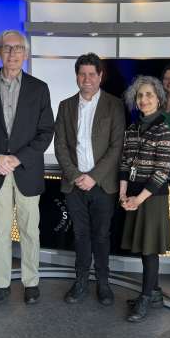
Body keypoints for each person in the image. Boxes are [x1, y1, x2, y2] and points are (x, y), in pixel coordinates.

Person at [0, 30, 54, 306]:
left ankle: (31, 282)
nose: (13, 53)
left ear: (25, 54)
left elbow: (45, 131)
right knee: (0, 231)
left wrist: (17, 159)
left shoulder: (39, 88)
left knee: (30, 230)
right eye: (7, 48)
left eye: (18, 48)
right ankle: (2, 283)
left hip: (26, 169)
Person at [53, 53, 125, 305]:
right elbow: (60, 145)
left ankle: (103, 284)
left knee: (102, 236)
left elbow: (117, 147)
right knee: (81, 236)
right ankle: (81, 281)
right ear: (76, 76)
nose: (87, 79)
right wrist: (76, 176)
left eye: (92, 74)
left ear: (100, 76)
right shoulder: (65, 106)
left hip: (103, 184)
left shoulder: (114, 105)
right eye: (82, 74)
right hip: (74, 185)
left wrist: (93, 177)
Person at [119, 76, 170, 322]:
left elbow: (162, 172)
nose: (143, 99)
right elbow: (124, 162)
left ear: (159, 98)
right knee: (142, 248)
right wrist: (123, 193)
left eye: (149, 95)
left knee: (150, 250)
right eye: (140, 95)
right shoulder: (132, 128)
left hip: (151, 198)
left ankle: (145, 298)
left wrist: (138, 199)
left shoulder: (164, 129)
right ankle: (153, 293)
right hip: (132, 194)